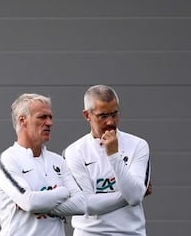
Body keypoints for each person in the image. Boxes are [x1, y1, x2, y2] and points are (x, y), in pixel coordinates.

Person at [63, 84, 152, 236]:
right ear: (87, 115)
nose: (110, 122)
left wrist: (113, 155)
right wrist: (129, 195)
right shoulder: (74, 151)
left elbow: (135, 196)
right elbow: (87, 204)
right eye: (103, 116)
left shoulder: (138, 145)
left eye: (115, 114)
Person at [0, 93, 85, 236]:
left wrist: (39, 203)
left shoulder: (58, 161)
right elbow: (29, 202)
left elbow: (81, 204)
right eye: (42, 117)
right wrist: (63, 192)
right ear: (22, 120)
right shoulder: (7, 160)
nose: (49, 123)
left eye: (50, 117)